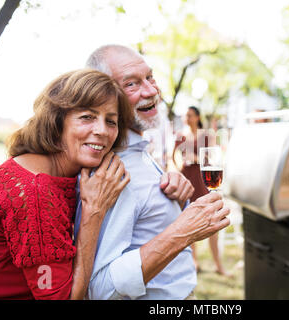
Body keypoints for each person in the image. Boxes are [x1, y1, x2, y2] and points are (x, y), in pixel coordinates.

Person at [75, 45, 231, 300]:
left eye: (149, 77)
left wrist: (176, 196)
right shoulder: (113, 173)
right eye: (132, 84)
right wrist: (183, 232)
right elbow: (100, 289)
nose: (151, 90)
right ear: (103, 95)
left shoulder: (139, 151)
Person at [0, 69, 132, 299]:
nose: (102, 131)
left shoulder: (51, 172)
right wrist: (94, 212)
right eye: (87, 117)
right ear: (57, 121)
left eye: (111, 121)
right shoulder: (35, 191)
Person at [172, 106, 229, 276]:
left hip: (203, 180)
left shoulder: (206, 135)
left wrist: (195, 159)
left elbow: (215, 156)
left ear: (197, 117)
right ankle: (194, 263)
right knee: (189, 219)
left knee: (213, 219)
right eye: (184, 116)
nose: (186, 119)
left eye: (189, 115)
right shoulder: (180, 135)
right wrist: (178, 166)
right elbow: (173, 156)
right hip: (187, 180)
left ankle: (218, 264)